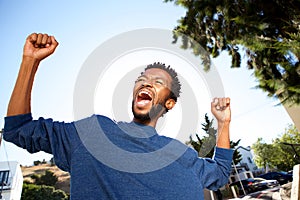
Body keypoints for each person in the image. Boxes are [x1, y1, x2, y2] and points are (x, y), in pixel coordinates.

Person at [3, 33, 233, 200]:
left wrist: (223, 123)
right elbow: (17, 129)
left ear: (169, 103)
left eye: (158, 82)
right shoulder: (93, 132)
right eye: (142, 80)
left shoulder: (182, 154)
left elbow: (221, 175)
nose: (147, 83)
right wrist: (30, 62)